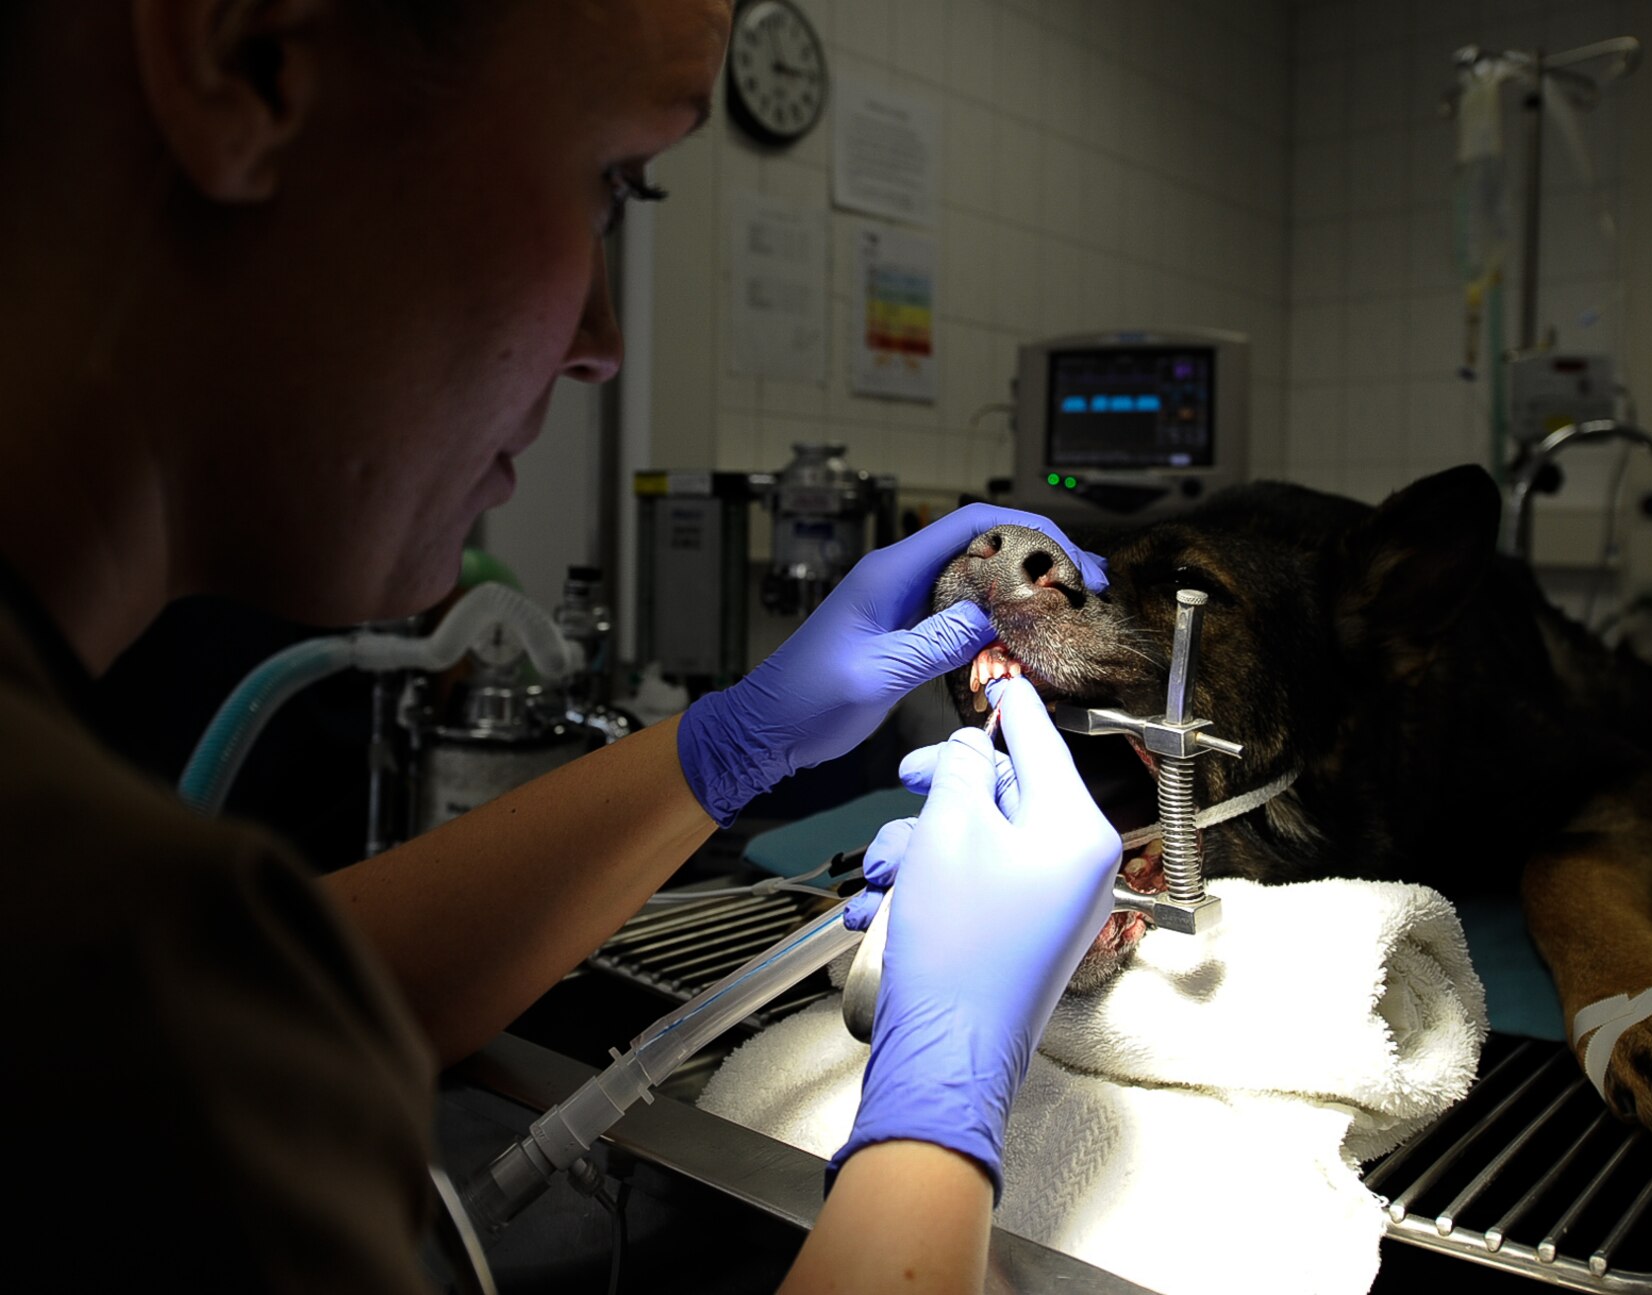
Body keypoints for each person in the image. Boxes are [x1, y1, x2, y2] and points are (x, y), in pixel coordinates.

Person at [0, 2, 1121, 1291]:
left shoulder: (117, 930)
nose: (602, 345)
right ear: (245, 56)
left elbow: (244, 1002)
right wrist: (943, 1098)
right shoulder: (65, 946)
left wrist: (726, 745)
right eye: (612, 182)